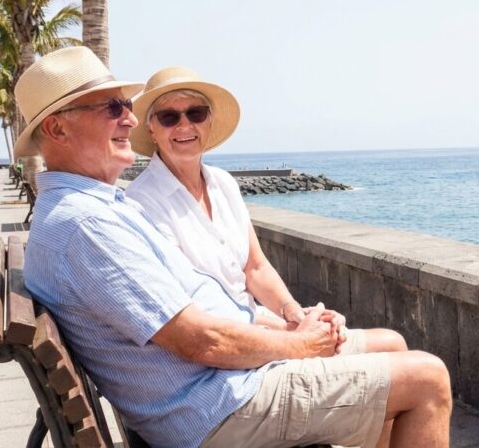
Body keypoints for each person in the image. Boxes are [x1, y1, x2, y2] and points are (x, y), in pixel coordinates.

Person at [15, 47, 452, 448]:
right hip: (214, 406)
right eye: (113, 107)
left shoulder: (95, 209)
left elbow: (227, 293)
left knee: (392, 351)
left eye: (126, 106)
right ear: (57, 127)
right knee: (427, 379)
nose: (128, 119)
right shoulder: (88, 225)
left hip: (216, 387)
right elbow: (202, 340)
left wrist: (295, 323)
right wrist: (301, 344)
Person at [126, 66, 406, 354]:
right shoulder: (142, 202)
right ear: (151, 129)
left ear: (209, 121)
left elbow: (255, 267)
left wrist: (294, 312)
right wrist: (292, 333)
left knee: (392, 343)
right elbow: (193, 306)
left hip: (259, 327)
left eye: (195, 113)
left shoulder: (223, 184)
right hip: (234, 347)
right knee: (392, 346)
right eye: (169, 117)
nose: (184, 125)